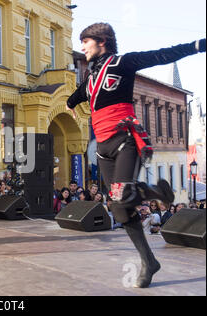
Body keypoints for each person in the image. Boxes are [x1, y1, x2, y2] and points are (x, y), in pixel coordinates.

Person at [66, 22, 205, 288]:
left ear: (102, 41)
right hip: (103, 148)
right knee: (119, 208)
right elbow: (80, 93)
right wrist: (69, 102)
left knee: (121, 193)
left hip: (125, 138)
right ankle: (149, 262)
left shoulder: (123, 64)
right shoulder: (92, 77)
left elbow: (163, 54)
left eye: (86, 41)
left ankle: (158, 193)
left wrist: (198, 46)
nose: (82, 46)